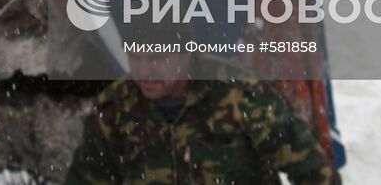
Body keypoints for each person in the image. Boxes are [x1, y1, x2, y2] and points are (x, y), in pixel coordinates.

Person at [64, 42, 335, 184]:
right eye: (136, 58)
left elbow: (313, 171)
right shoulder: (115, 109)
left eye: (157, 58)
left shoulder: (241, 94)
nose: (145, 71)